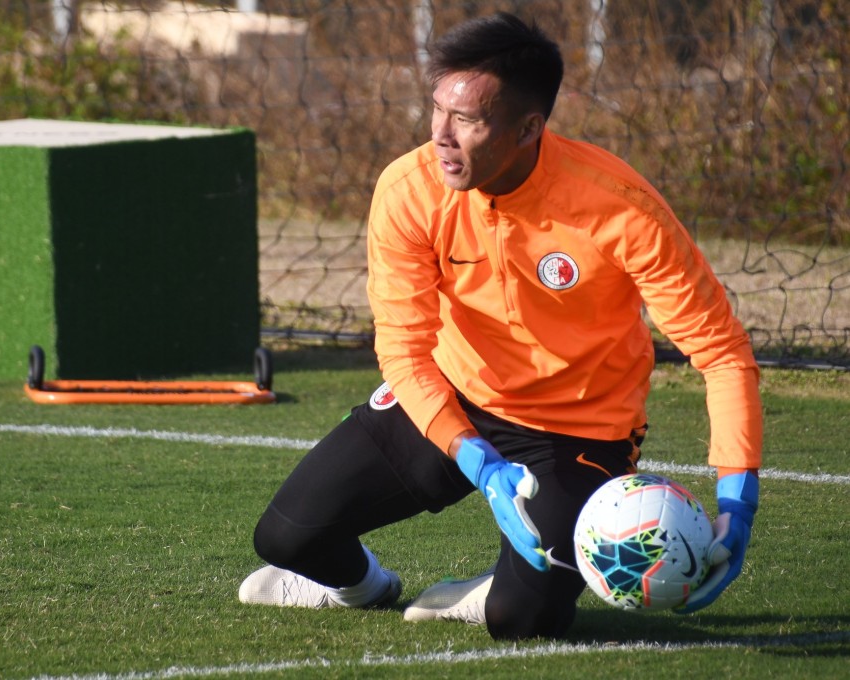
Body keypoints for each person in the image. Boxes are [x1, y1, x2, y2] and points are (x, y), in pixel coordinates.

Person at [238, 12, 762, 640]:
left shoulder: (622, 208)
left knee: (527, 618)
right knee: (285, 537)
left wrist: (736, 496)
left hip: (578, 430)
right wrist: (477, 461)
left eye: (469, 120)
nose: (442, 136)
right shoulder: (408, 190)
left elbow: (722, 353)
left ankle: (489, 593)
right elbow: (403, 351)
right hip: (451, 396)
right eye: (437, 110)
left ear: (529, 127)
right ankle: (361, 586)